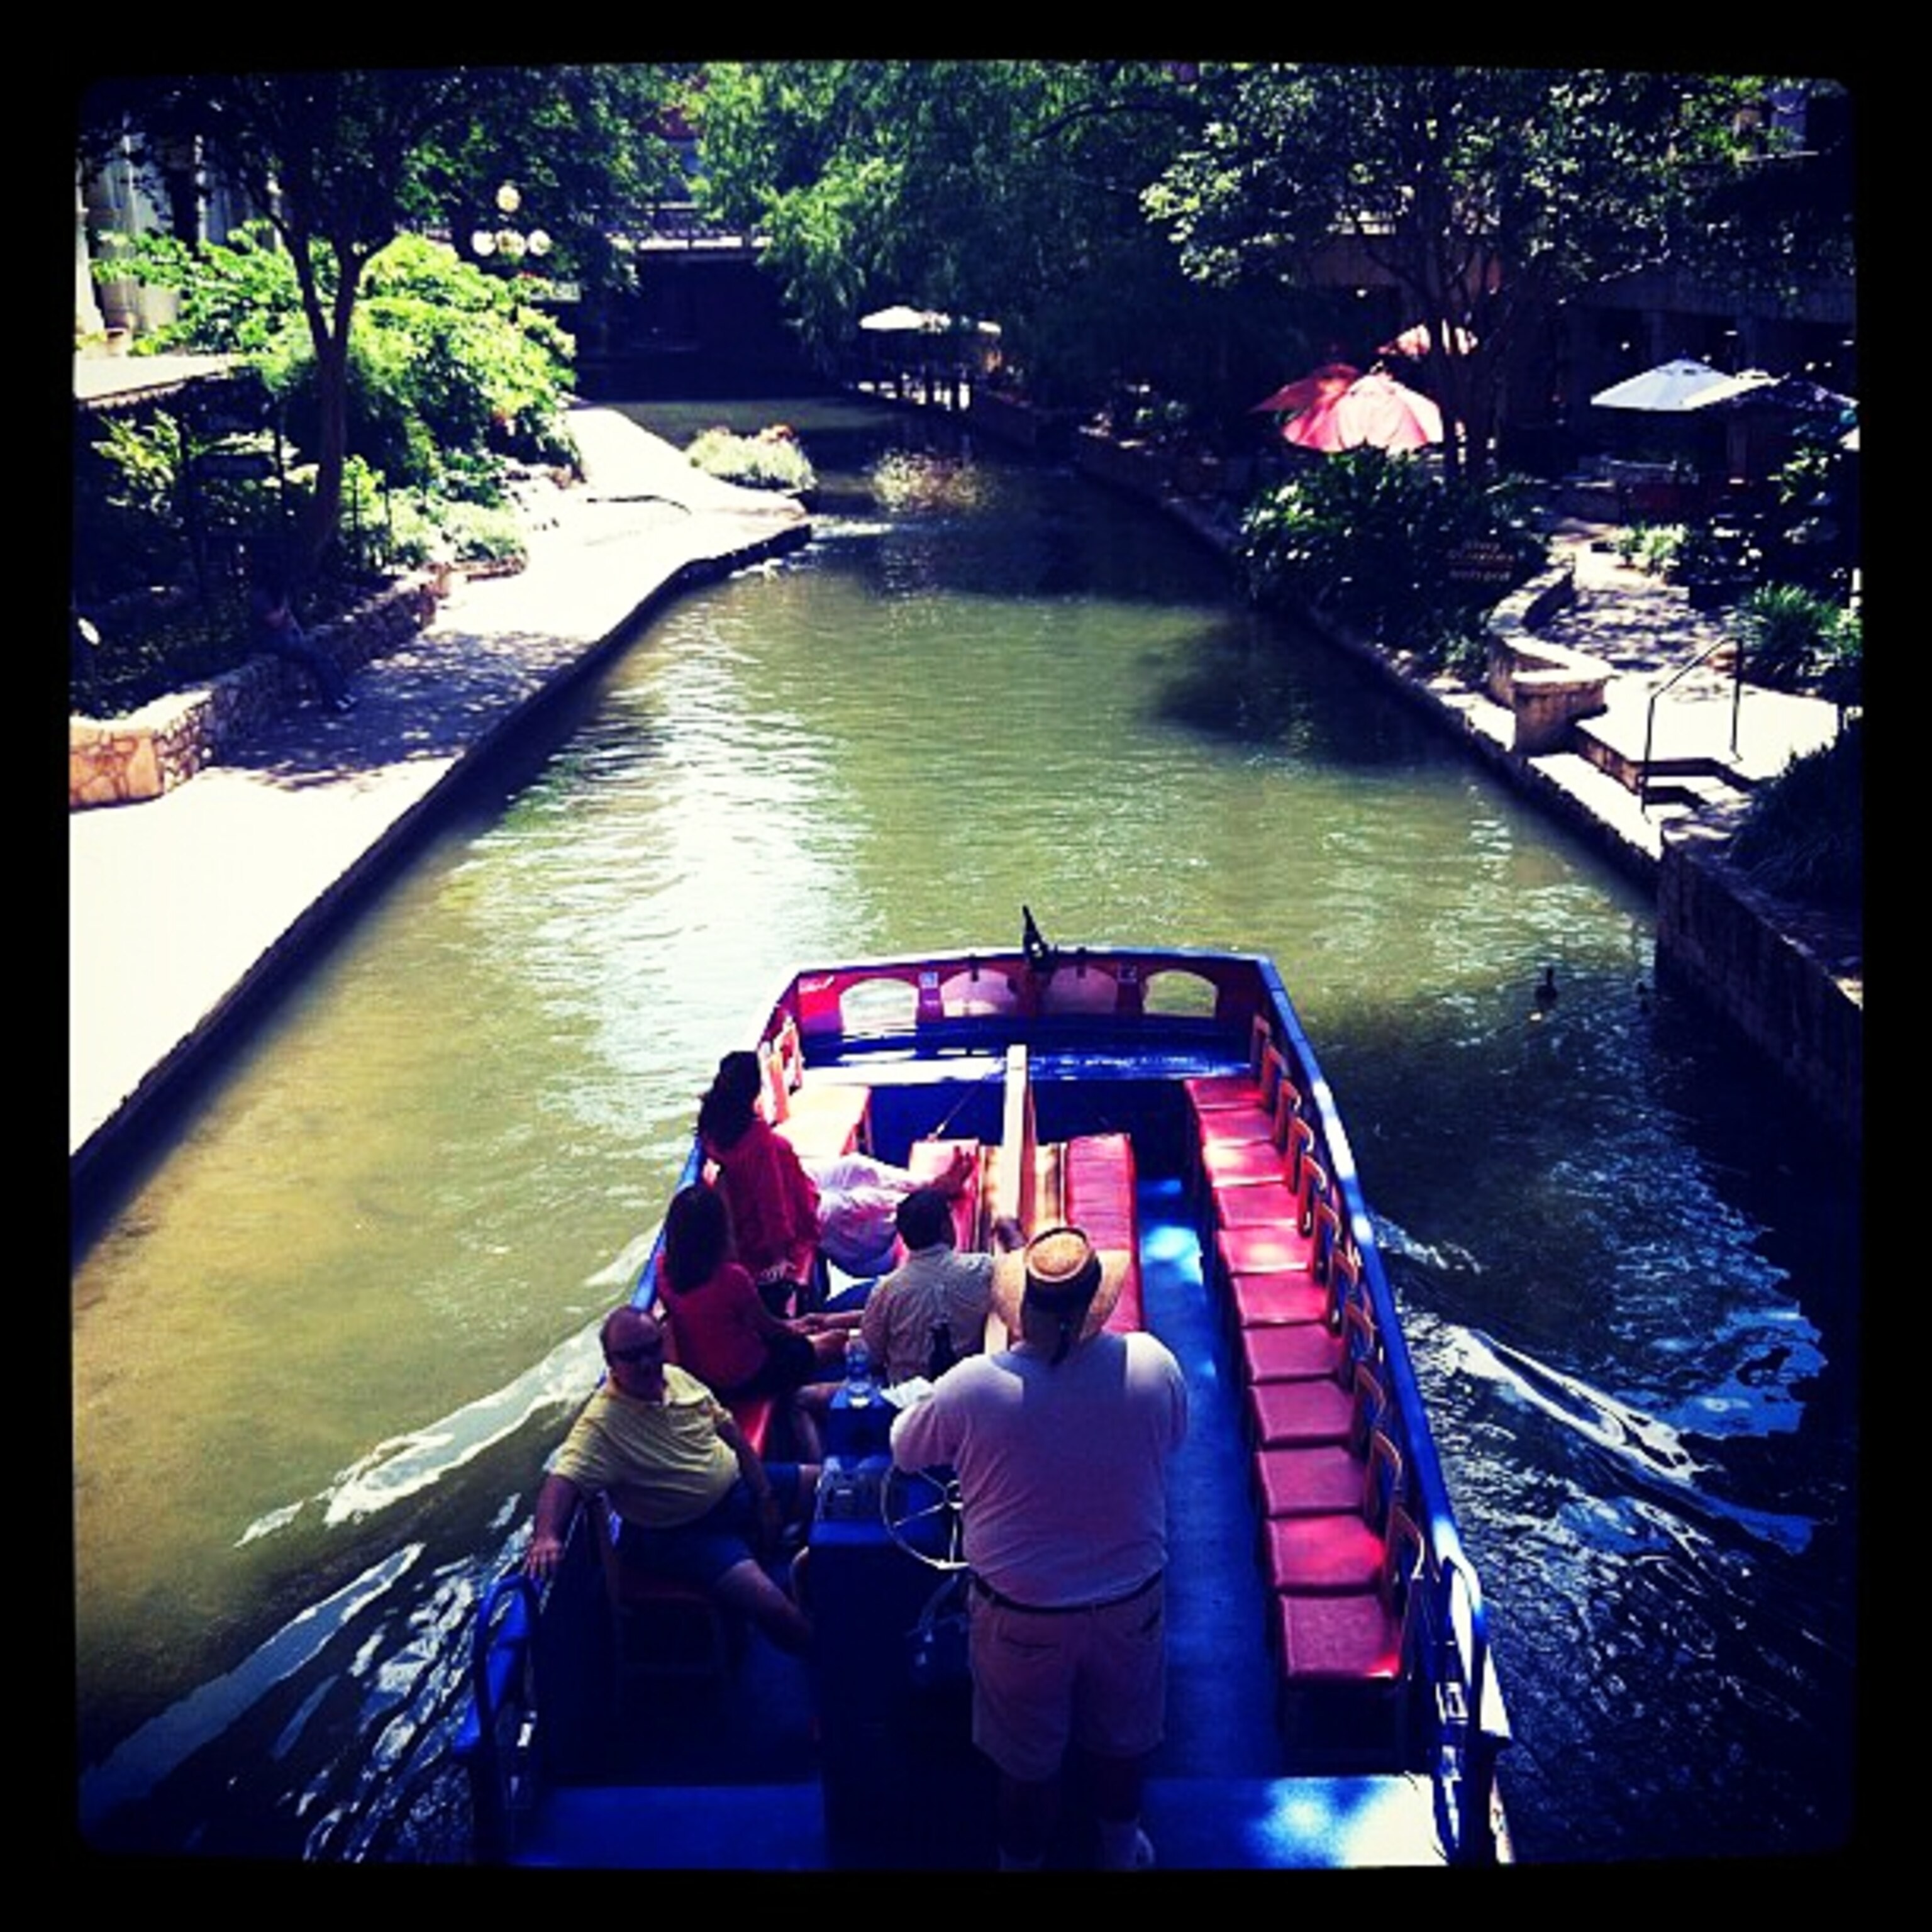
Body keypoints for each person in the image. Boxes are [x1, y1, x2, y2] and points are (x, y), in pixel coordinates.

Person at [889, 1226, 1187, 1872]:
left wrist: (921, 1399)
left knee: (1025, 1765)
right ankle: (1117, 1852)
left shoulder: (970, 1388)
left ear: (1023, 1305)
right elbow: (1171, 1437)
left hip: (1021, 1617)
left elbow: (905, 1450)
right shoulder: (1153, 1364)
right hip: (1131, 1605)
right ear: (1092, 1307)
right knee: (1122, 1743)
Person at [523, 1304, 816, 1655]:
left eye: (652, 1348)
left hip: (736, 1489)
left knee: (833, 1485)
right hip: (681, 1534)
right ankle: (830, 1671)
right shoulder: (600, 1426)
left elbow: (733, 1434)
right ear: (611, 1362)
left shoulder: (676, 1378)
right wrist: (546, 1536)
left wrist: (765, 1495)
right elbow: (563, 1480)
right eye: (632, 1356)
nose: (647, 1363)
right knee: (774, 1607)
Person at [655, 1180, 854, 1461]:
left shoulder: (664, 1271)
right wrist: (801, 1329)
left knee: (810, 1334)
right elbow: (771, 1330)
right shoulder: (731, 1279)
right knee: (835, 1342)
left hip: (710, 1378)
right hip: (749, 1375)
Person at [859, 1184, 1023, 1386]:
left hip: (907, 1402)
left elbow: (871, 1353)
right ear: (946, 1227)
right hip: (966, 1392)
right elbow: (1021, 1269)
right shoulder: (980, 1270)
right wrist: (1012, 1232)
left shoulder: (886, 1291)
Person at [698, 1051, 821, 1314]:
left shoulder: (713, 1127)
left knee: (852, 1170)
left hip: (797, 1186)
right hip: (790, 1214)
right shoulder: (756, 1138)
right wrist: (780, 1256)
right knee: (856, 1193)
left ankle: (919, 1186)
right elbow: (771, 1202)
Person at [806, 1143, 979, 1280]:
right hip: (872, 1254)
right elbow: (826, 1209)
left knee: (854, 1165)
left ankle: (933, 1185)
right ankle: (927, 1200)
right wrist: (927, 1200)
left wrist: (929, 1185)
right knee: (844, 1206)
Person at [248, 564, 355, 713]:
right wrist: (284, 607)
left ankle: (341, 694)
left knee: (322, 656)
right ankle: (332, 700)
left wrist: (300, 635)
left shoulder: (277, 594)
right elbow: (274, 620)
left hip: (286, 638)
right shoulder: (259, 596)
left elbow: (290, 620)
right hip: (271, 641)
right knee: (316, 657)